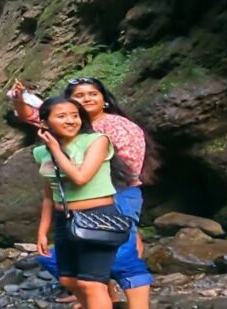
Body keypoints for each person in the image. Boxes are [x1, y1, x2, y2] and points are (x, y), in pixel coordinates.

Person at [13, 77, 156, 308]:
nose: (86, 99)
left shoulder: (113, 129)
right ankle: (102, 296)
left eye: (92, 94)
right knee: (78, 272)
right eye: (79, 96)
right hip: (69, 209)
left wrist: (116, 206)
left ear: (104, 100)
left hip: (115, 193)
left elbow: (126, 169)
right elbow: (31, 115)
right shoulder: (53, 140)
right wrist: (20, 99)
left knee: (123, 256)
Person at [33, 96, 124, 309]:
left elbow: (81, 178)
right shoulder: (40, 152)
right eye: (62, 116)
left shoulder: (97, 140)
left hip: (98, 215)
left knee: (91, 283)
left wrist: (55, 149)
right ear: (45, 123)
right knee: (68, 280)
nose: (71, 120)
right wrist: (42, 230)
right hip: (64, 218)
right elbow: (49, 193)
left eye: (75, 116)